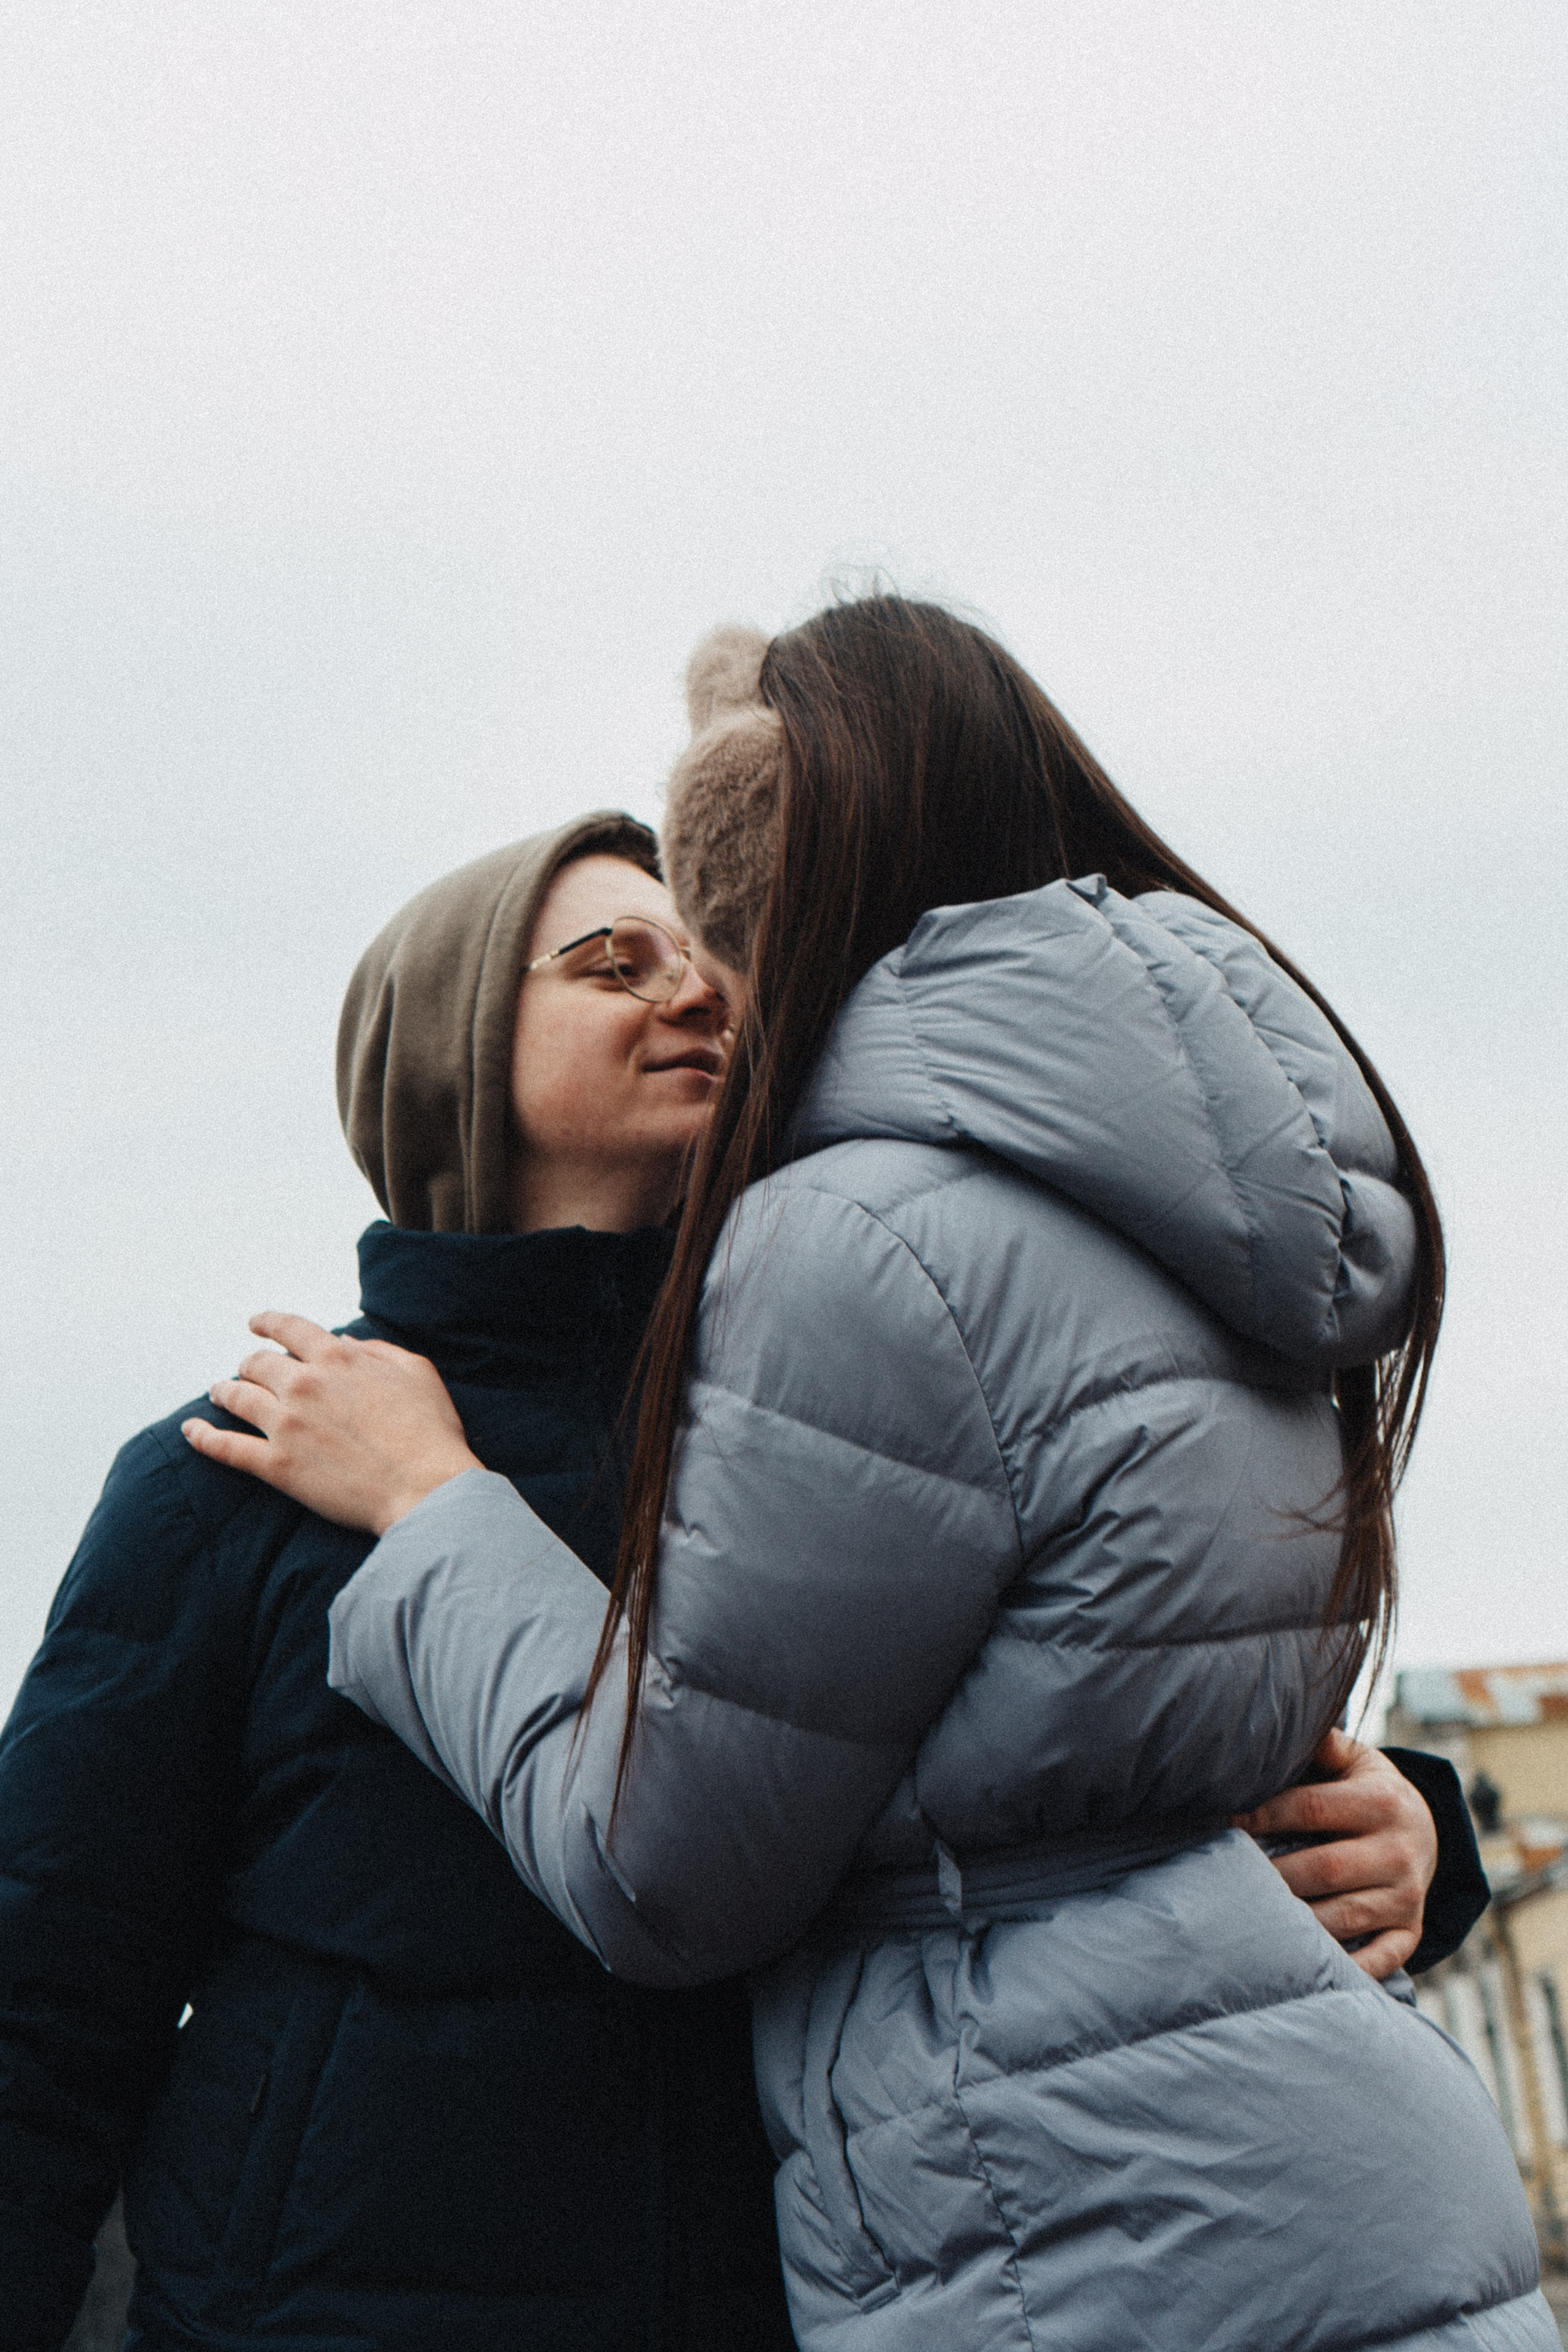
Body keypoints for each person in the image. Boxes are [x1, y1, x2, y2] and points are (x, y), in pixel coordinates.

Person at [189, 598, 1544, 2351]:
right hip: (1297, 2192)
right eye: (612, 963)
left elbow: (673, 1860)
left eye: (703, 933)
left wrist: (439, 1513)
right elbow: (1107, 1666)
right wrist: (1411, 1821)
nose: (691, 983)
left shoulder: (852, 1245)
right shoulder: (1170, 1198)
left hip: (1080, 2222)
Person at [0, 813, 796, 2351]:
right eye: (612, 961)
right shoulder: (220, 1477)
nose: (694, 993)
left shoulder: (824, 1454)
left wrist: (1412, 1834)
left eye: (707, 964)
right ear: (446, 1051)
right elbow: (44, 2003)